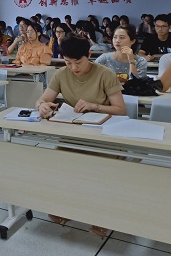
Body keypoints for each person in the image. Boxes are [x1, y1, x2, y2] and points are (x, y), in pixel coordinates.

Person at [35, 33, 126, 238]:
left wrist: (94, 106)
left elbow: (121, 110)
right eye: (68, 62)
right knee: (62, 166)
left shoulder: (105, 74)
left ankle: (101, 215)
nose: (74, 68)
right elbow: (42, 99)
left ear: (89, 55)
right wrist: (41, 106)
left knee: (99, 172)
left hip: (103, 137)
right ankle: (66, 206)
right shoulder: (61, 74)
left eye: (78, 62)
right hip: (73, 134)